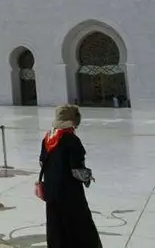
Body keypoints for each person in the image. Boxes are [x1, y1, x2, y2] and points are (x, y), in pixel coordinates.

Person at [38, 104, 101, 247]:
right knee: (77, 227)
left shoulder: (47, 138)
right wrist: (88, 176)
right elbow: (77, 171)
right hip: (69, 194)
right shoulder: (72, 140)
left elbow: (42, 163)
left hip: (52, 192)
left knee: (56, 227)